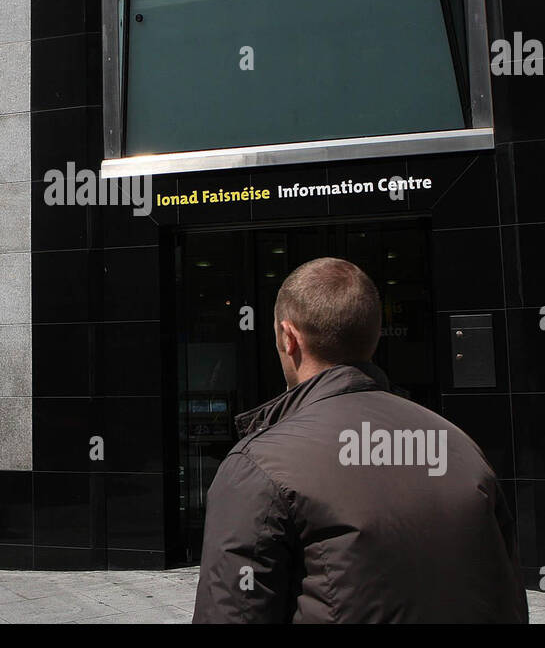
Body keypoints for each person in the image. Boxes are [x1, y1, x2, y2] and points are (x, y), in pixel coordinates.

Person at [192, 257, 527, 624]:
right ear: (375, 335)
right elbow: (509, 598)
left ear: (289, 338)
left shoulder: (258, 465)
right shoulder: (459, 446)